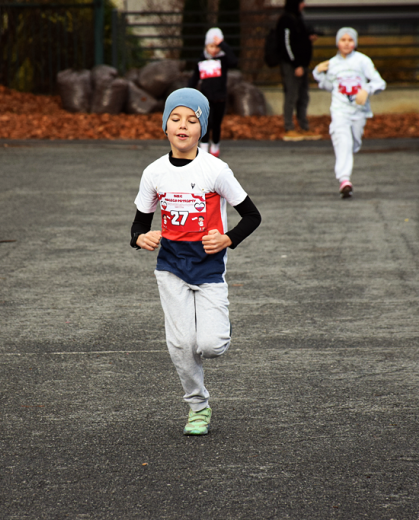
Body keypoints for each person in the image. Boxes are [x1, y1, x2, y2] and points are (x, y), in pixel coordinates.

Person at [130, 88, 261, 435]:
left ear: (202, 128)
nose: (183, 126)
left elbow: (251, 215)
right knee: (180, 344)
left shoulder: (215, 170)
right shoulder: (154, 173)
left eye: (192, 119)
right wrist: (139, 238)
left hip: (208, 267)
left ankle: (218, 329)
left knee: (210, 345)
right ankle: (198, 407)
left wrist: (228, 238)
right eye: (175, 118)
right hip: (170, 266)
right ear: (165, 125)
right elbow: (140, 222)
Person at [312, 27, 386, 198]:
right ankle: (344, 180)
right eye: (343, 40)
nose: (346, 43)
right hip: (340, 111)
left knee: (353, 143)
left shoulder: (363, 61)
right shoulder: (333, 64)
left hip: (359, 112)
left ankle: (346, 161)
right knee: (343, 140)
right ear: (337, 42)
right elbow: (328, 85)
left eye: (350, 40)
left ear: (355, 43)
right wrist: (317, 72)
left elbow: (380, 83)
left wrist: (367, 89)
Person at [187, 27, 238, 158]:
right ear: (206, 46)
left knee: (216, 124)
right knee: (205, 122)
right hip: (206, 98)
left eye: (217, 47)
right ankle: (203, 147)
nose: (214, 50)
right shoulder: (202, 59)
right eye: (211, 46)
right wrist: (187, 91)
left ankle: (215, 144)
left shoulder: (224, 60)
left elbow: (234, 61)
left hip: (220, 97)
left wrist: (223, 45)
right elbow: (195, 77)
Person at [277, 0, 317, 141]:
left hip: (302, 65)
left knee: (303, 96)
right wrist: (296, 64)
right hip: (292, 66)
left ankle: (304, 126)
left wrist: (309, 37)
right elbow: (286, 44)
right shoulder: (286, 20)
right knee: (291, 96)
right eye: (301, 2)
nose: (303, 5)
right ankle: (289, 127)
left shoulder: (299, 18)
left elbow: (299, 38)